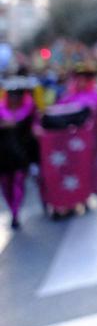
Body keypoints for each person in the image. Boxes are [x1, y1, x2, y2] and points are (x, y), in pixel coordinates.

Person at [0, 78, 37, 229]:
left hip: (21, 156)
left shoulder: (29, 111)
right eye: (12, 94)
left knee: (18, 183)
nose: (14, 98)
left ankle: (15, 213)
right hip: (2, 157)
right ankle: (12, 210)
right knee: (5, 186)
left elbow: (34, 133)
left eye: (18, 94)